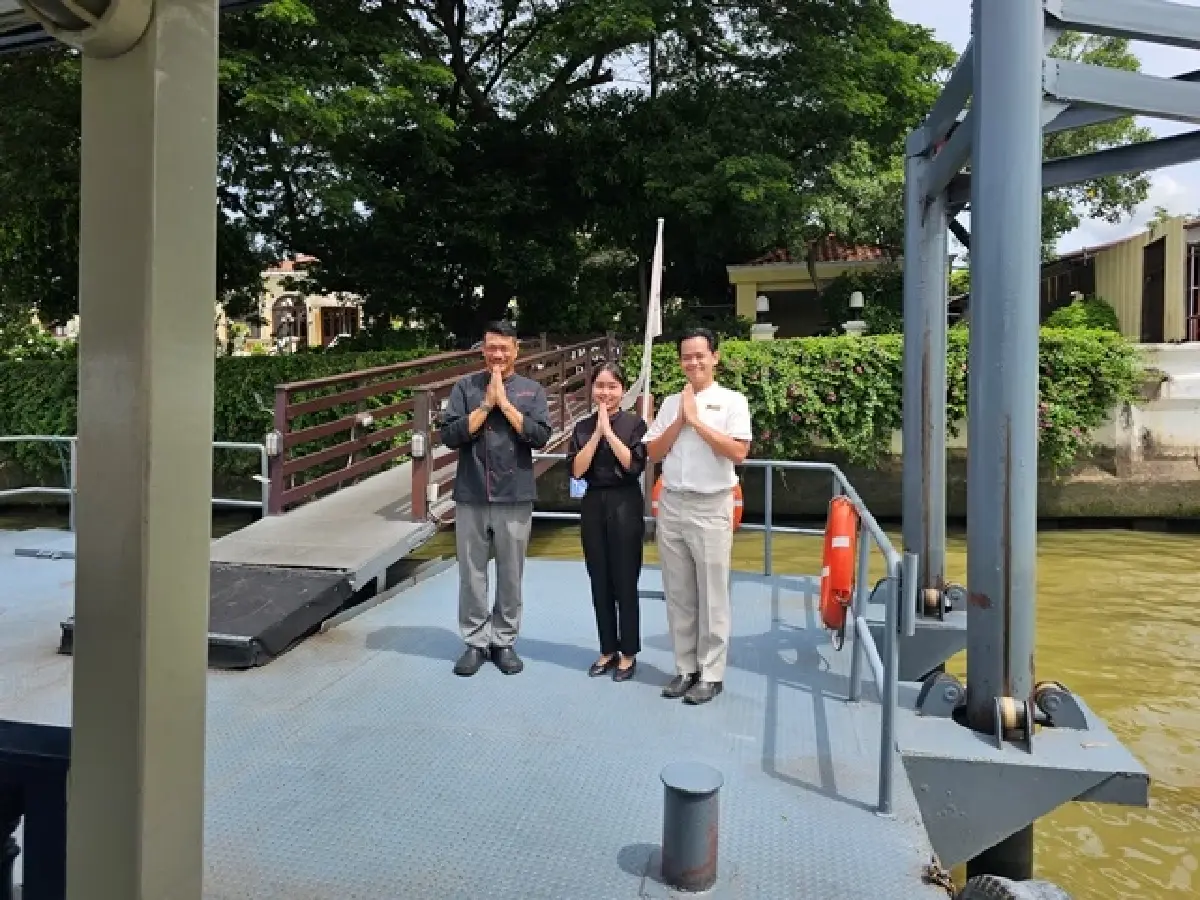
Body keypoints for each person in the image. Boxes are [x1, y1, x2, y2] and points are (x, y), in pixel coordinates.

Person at [644, 327, 752, 705]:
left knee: (712, 593)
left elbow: (738, 453)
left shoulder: (733, 401)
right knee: (679, 593)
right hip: (672, 503)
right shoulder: (672, 402)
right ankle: (685, 667)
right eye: (686, 356)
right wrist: (680, 419)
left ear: (715, 357)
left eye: (700, 355)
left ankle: (711, 673)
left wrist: (698, 423)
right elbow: (653, 453)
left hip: (711, 506)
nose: (693, 362)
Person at [440, 320, 552, 677]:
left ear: (516, 350)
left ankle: (504, 640)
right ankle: (475, 640)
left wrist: (505, 404)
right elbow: (451, 435)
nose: (498, 355)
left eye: (504, 348)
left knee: (511, 573)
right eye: (491, 348)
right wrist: (487, 405)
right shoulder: (465, 387)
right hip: (472, 492)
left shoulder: (531, 391)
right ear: (483, 350)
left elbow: (539, 437)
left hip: (515, 493)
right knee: (471, 572)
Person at [566, 363, 649, 682]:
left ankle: (628, 653)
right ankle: (607, 649)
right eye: (600, 385)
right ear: (592, 389)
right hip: (593, 503)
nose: (605, 392)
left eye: (612, 386)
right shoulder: (582, 427)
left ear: (622, 390)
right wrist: (597, 432)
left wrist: (610, 433)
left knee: (625, 580)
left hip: (625, 502)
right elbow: (576, 470)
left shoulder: (634, 424)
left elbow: (633, 465)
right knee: (598, 578)